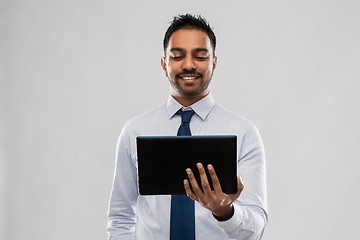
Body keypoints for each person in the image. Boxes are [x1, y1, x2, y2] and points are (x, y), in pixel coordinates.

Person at [107, 14, 268, 240]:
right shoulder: (134, 131)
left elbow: (256, 230)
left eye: (200, 56)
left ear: (213, 63)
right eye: (177, 56)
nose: (189, 64)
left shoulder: (244, 133)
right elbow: (121, 218)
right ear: (164, 64)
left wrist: (225, 212)